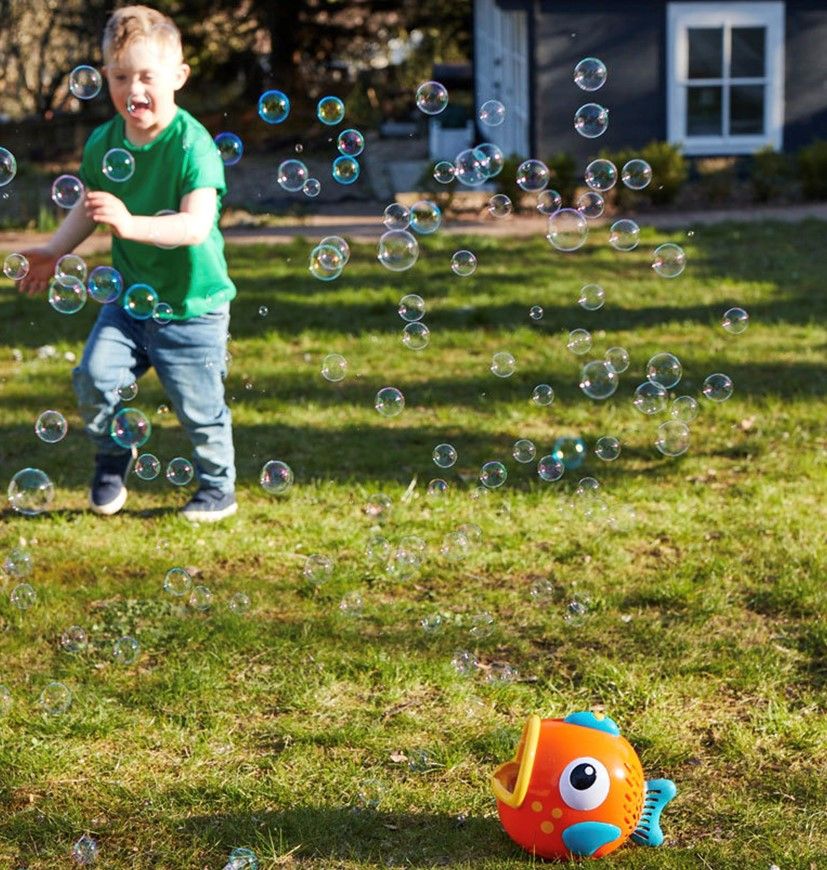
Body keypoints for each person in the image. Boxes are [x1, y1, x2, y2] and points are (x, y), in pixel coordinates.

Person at [18, 5, 238, 522]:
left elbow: (195, 226)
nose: (132, 89)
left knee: (201, 412)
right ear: (105, 79)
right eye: (120, 77)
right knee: (93, 377)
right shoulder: (104, 142)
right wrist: (54, 250)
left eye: (146, 76)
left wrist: (130, 223)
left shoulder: (193, 146)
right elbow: (90, 206)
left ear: (178, 77)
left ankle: (217, 489)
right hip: (129, 302)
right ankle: (114, 451)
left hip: (193, 308)